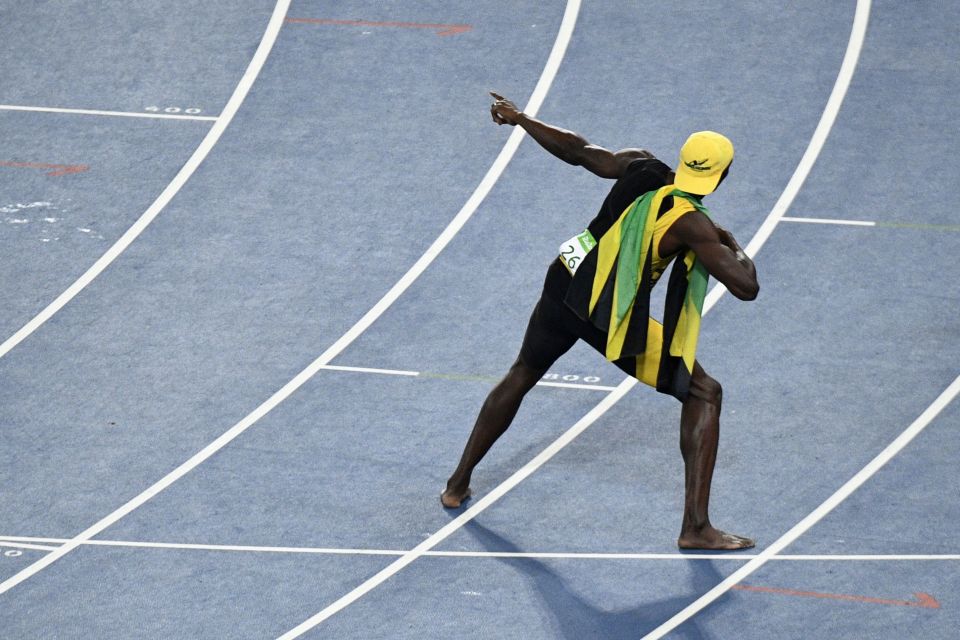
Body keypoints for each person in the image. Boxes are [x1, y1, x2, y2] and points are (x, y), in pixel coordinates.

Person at [441, 92, 759, 551]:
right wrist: (732, 245)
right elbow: (746, 287)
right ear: (721, 174)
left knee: (522, 373)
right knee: (705, 392)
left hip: (564, 278)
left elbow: (579, 151)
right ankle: (695, 528)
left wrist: (522, 119)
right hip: (603, 312)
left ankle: (457, 484)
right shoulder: (692, 224)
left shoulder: (643, 166)